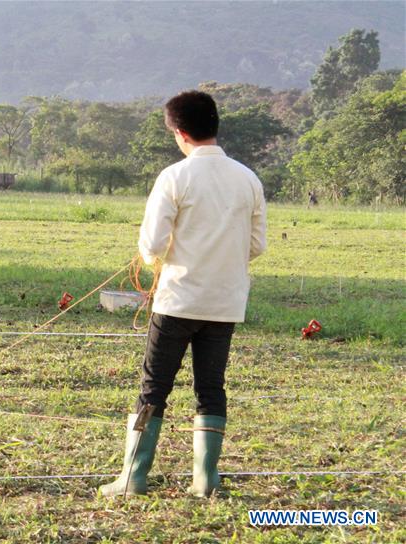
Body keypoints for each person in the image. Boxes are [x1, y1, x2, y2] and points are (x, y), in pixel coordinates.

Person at [99, 91, 267, 498]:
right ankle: (206, 481)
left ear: (180, 132)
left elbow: (153, 245)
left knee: (154, 387)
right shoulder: (247, 178)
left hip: (177, 301)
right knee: (211, 388)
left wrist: (152, 258)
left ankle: (133, 478)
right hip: (225, 303)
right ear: (214, 126)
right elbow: (257, 245)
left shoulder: (175, 177)